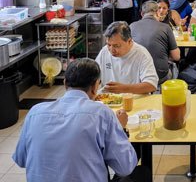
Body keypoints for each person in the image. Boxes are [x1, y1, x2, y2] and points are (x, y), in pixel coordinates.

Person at [13, 58, 151, 182]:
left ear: (65, 83)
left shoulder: (35, 112)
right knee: (142, 173)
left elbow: (21, 160)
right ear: (95, 86)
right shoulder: (101, 114)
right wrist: (120, 129)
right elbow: (125, 167)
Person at [95, 21, 158, 94]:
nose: (111, 50)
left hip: (134, 100)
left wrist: (124, 89)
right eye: (109, 45)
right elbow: (94, 75)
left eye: (116, 46)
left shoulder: (141, 54)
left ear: (129, 41)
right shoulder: (105, 51)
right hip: (108, 100)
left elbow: (151, 85)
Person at [130, 1, 180, 84]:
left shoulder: (131, 26)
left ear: (142, 14)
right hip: (160, 75)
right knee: (173, 70)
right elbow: (176, 57)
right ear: (157, 12)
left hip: (137, 76)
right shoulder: (166, 27)